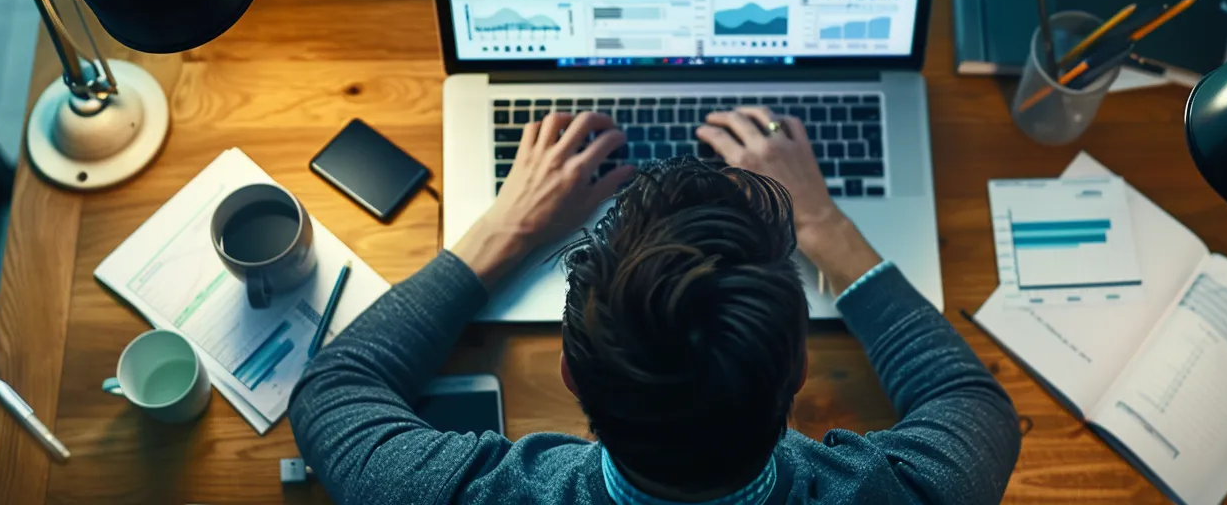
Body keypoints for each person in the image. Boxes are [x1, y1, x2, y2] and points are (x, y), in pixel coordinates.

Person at [291, 108, 1021, 504]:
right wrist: (826, 227)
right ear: (798, 368)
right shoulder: (920, 492)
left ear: (572, 376)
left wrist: (504, 230)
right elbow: (971, 404)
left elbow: (334, 392)